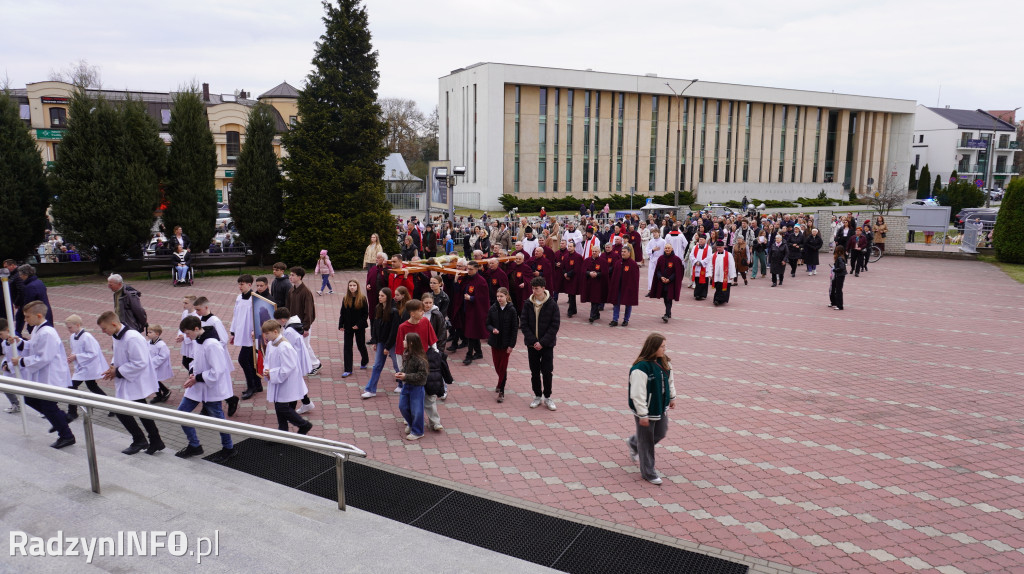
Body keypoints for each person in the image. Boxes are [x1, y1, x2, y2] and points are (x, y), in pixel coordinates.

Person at [98, 311, 164, 456]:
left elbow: (140, 362)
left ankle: (141, 440)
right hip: (127, 378)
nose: (103, 331)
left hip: (135, 379)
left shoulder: (132, 337)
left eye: (104, 328)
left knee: (123, 410)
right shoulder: (117, 335)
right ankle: (155, 440)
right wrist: (113, 366)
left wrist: (118, 371)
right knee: (140, 410)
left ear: (114, 324)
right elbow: (118, 354)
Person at [10, 302, 76, 449]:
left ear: (38, 315)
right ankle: (61, 418)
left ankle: (66, 435)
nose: (25, 320)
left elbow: (44, 357)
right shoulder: (37, 329)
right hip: (43, 375)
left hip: (51, 376)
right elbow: (33, 346)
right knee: (29, 398)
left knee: (48, 406)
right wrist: (19, 342)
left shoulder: (47, 333)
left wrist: (21, 361)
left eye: (27, 316)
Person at [175, 315, 236, 462]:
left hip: (210, 388)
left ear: (196, 328)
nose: (187, 337)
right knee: (181, 413)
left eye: (188, 333)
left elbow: (218, 370)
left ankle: (229, 448)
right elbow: (194, 361)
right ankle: (194, 445)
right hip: (197, 386)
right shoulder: (198, 340)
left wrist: (197, 377)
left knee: (218, 420)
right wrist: (192, 373)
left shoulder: (212, 344)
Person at [626, 333, 677, 485]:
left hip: (660, 407)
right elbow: (637, 394)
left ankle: (634, 443)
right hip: (646, 410)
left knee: (660, 432)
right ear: (653, 347)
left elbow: (670, 381)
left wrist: (672, 397)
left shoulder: (665, 362)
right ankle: (648, 472)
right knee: (646, 441)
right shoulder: (640, 368)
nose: (664, 349)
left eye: (665, 346)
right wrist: (643, 414)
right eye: (662, 346)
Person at [261, 320, 313, 434]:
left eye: (267, 333)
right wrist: (266, 370)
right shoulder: (271, 344)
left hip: (287, 382)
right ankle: (283, 433)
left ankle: (304, 425)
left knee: (282, 408)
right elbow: (267, 360)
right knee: (279, 409)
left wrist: (271, 373)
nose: (265, 336)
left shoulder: (284, 346)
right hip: (277, 380)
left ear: (275, 332)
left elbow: (288, 367)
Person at [192, 296, 239, 416]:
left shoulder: (214, 321)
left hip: (216, 357)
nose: (197, 312)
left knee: (218, 382)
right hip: (206, 357)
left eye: (198, 310)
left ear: (206, 307)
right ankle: (207, 407)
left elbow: (223, 339)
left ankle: (230, 400)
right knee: (207, 382)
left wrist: (211, 348)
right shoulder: (200, 320)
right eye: (195, 310)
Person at [520, 276, 559, 411]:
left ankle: (547, 397)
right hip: (532, 345)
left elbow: (554, 325)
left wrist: (542, 342)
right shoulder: (528, 303)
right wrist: (533, 341)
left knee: (547, 371)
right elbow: (524, 324)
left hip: (547, 345)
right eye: (533, 288)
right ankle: (537, 396)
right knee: (534, 372)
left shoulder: (552, 304)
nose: (534, 291)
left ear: (543, 288)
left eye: (536, 288)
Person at [63, 314, 111, 421]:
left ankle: (72, 412)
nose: (68, 329)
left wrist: (76, 356)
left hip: (89, 367)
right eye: (67, 327)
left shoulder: (87, 337)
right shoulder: (73, 337)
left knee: (71, 387)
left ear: (77, 325)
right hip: (82, 367)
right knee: (92, 387)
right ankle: (111, 406)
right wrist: (72, 357)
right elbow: (75, 351)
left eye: (70, 327)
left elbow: (93, 353)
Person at [363, 288, 400, 399]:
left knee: (397, 365)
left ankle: (403, 384)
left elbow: (394, 331)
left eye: (382, 296)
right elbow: (375, 326)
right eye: (379, 295)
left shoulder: (394, 311)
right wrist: (375, 341)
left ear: (388, 297)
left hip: (391, 342)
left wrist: (387, 347)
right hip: (381, 341)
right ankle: (370, 389)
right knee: (377, 365)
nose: (379, 297)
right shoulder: (378, 308)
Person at [230, 274, 262, 400]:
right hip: (241, 332)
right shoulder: (239, 298)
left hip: (250, 334)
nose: (240, 286)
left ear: (249, 284)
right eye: (239, 284)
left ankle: (251, 386)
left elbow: (259, 317)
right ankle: (257, 384)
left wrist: (256, 330)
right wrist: (233, 331)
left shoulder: (255, 299)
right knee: (250, 360)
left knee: (243, 359)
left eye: (242, 284)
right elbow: (235, 314)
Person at [486, 287, 518, 403]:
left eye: (501, 296)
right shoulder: (493, 308)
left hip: (506, 343)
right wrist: (492, 329)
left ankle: (501, 390)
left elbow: (514, 329)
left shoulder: (512, 310)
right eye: (498, 296)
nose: (499, 298)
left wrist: (511, 345)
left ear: (506, 296)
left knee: (503, 366)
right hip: (495, 342)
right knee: (497, 365)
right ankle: (500, 382)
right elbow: (488, 324)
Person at [286, 267, 320, 375]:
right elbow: (288, 307)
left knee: (304, 346)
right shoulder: (291, 290)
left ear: (299, 277)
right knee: (300, 345)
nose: (290, 277)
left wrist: (306, 328)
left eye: (293, 275)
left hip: (302, 325)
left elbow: (309, 311)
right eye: (290, 275)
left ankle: (316, 364)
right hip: (292, 324)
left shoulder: (306, 292)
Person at [396, 332, 429, 440]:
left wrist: (406, 376)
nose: (403, 342)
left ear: (411, 343)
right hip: (407, 385)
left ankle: (418, 432)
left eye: (405, 340)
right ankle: (411, 424)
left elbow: (422, 376)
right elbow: (406, 369)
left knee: (417, 410)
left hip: (417, 388)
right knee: (403, 406)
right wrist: (402, 373)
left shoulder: (420, 359)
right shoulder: (406, 354)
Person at [458, 261, 489, 365]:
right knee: (473, 332)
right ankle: (479, 352)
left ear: (476, 269)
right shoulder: (468, 278)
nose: (469, 271)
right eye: (468, 268)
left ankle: (469, 355)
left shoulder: (481, 281)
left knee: (471, 333)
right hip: (467, 310)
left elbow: (483, 298)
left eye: (471, 269)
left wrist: (471, 298)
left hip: (476, 312)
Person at [338, 280, 370, 377]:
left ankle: (365, 360)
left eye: (354, 285)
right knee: (347, 347)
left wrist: (358, 325)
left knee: (361, 345)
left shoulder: (362, 298)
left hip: (359, 326)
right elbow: (342, 313)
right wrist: (341, 324)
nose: (352, 287)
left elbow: (365, 314)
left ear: (357, 287)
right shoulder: (345, 298)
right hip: (348, 326)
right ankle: (348, 369)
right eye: (350, 285)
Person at [14, 265, 52, 338]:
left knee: (38, 335)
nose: (20, 277)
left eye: (21, 275)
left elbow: (28, 303)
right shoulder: (39, 282)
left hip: (36, 313)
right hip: (45, 310)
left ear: (25, 275)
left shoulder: (30, 287)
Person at [650, 243, 684, 322]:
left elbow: (677, 272)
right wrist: (661, 277)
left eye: (669, 248)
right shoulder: (661, 258)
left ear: (672, 249)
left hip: (671, 282)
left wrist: (670, 279)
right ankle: (668, 312)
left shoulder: (676, 259)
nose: (667, 249)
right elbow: (657, 270)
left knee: (669, 297)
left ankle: (666, 314)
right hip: (662, 281)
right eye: (666, 248)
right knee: (665, 297)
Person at [608, 244, 639, 327]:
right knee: (616, 303)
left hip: (628, 288)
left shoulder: (633, 264)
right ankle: (615, 320)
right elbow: (614, 276)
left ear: (629, 253)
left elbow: (635, 278)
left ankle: (626, 320)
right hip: (618, 287)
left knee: (628, 304)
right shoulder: (618, 263)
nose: (622, 253)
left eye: (624, 252)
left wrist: (632, 288)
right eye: (622, 251)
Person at [145, 324, 174, 404]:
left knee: (154, 379)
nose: (148, 334)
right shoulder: (148, 343)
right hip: (151, 365)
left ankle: (162, 393)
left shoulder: (161, 345)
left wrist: (152, 362)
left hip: (157, 365)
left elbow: (164, 355)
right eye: (148, 332)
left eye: (150, 332)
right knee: (153, 379)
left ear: (157, 334)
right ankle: (162, 393)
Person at [582, 245, 606, 324]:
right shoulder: (587, 260)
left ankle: (592, 316)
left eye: (596, 251)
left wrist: (597, 274)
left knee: (595, 299)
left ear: (599, 252)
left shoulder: (602, 261)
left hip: (598, 284)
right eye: (593, 251)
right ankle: (597, 314)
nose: (594, 253)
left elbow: (604, 272)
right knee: (593, 299)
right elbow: (583, 270)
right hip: (589, 283)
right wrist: (589, 273)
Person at [709, 241, 737, 306]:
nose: (718, 248)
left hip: (725, 275)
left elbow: (731, 265)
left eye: (720, 247)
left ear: (723, 247)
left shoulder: (728, 255)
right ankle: (716, 299)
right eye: (717, 247)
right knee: (718, 288)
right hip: (717, 275)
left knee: (725, 289)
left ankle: (720, 300)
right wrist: (710, 274)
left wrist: (732, 275)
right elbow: (710, 265)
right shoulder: (713, 255)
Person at [829, 245, 847, 311]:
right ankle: (834, 302)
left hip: (840, 275)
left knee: (838, 290)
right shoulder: (839, 258)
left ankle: (840, 306)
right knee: (833, 288)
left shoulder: (840, 258)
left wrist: (835, 269)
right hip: (837, 275)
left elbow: (842, 268)